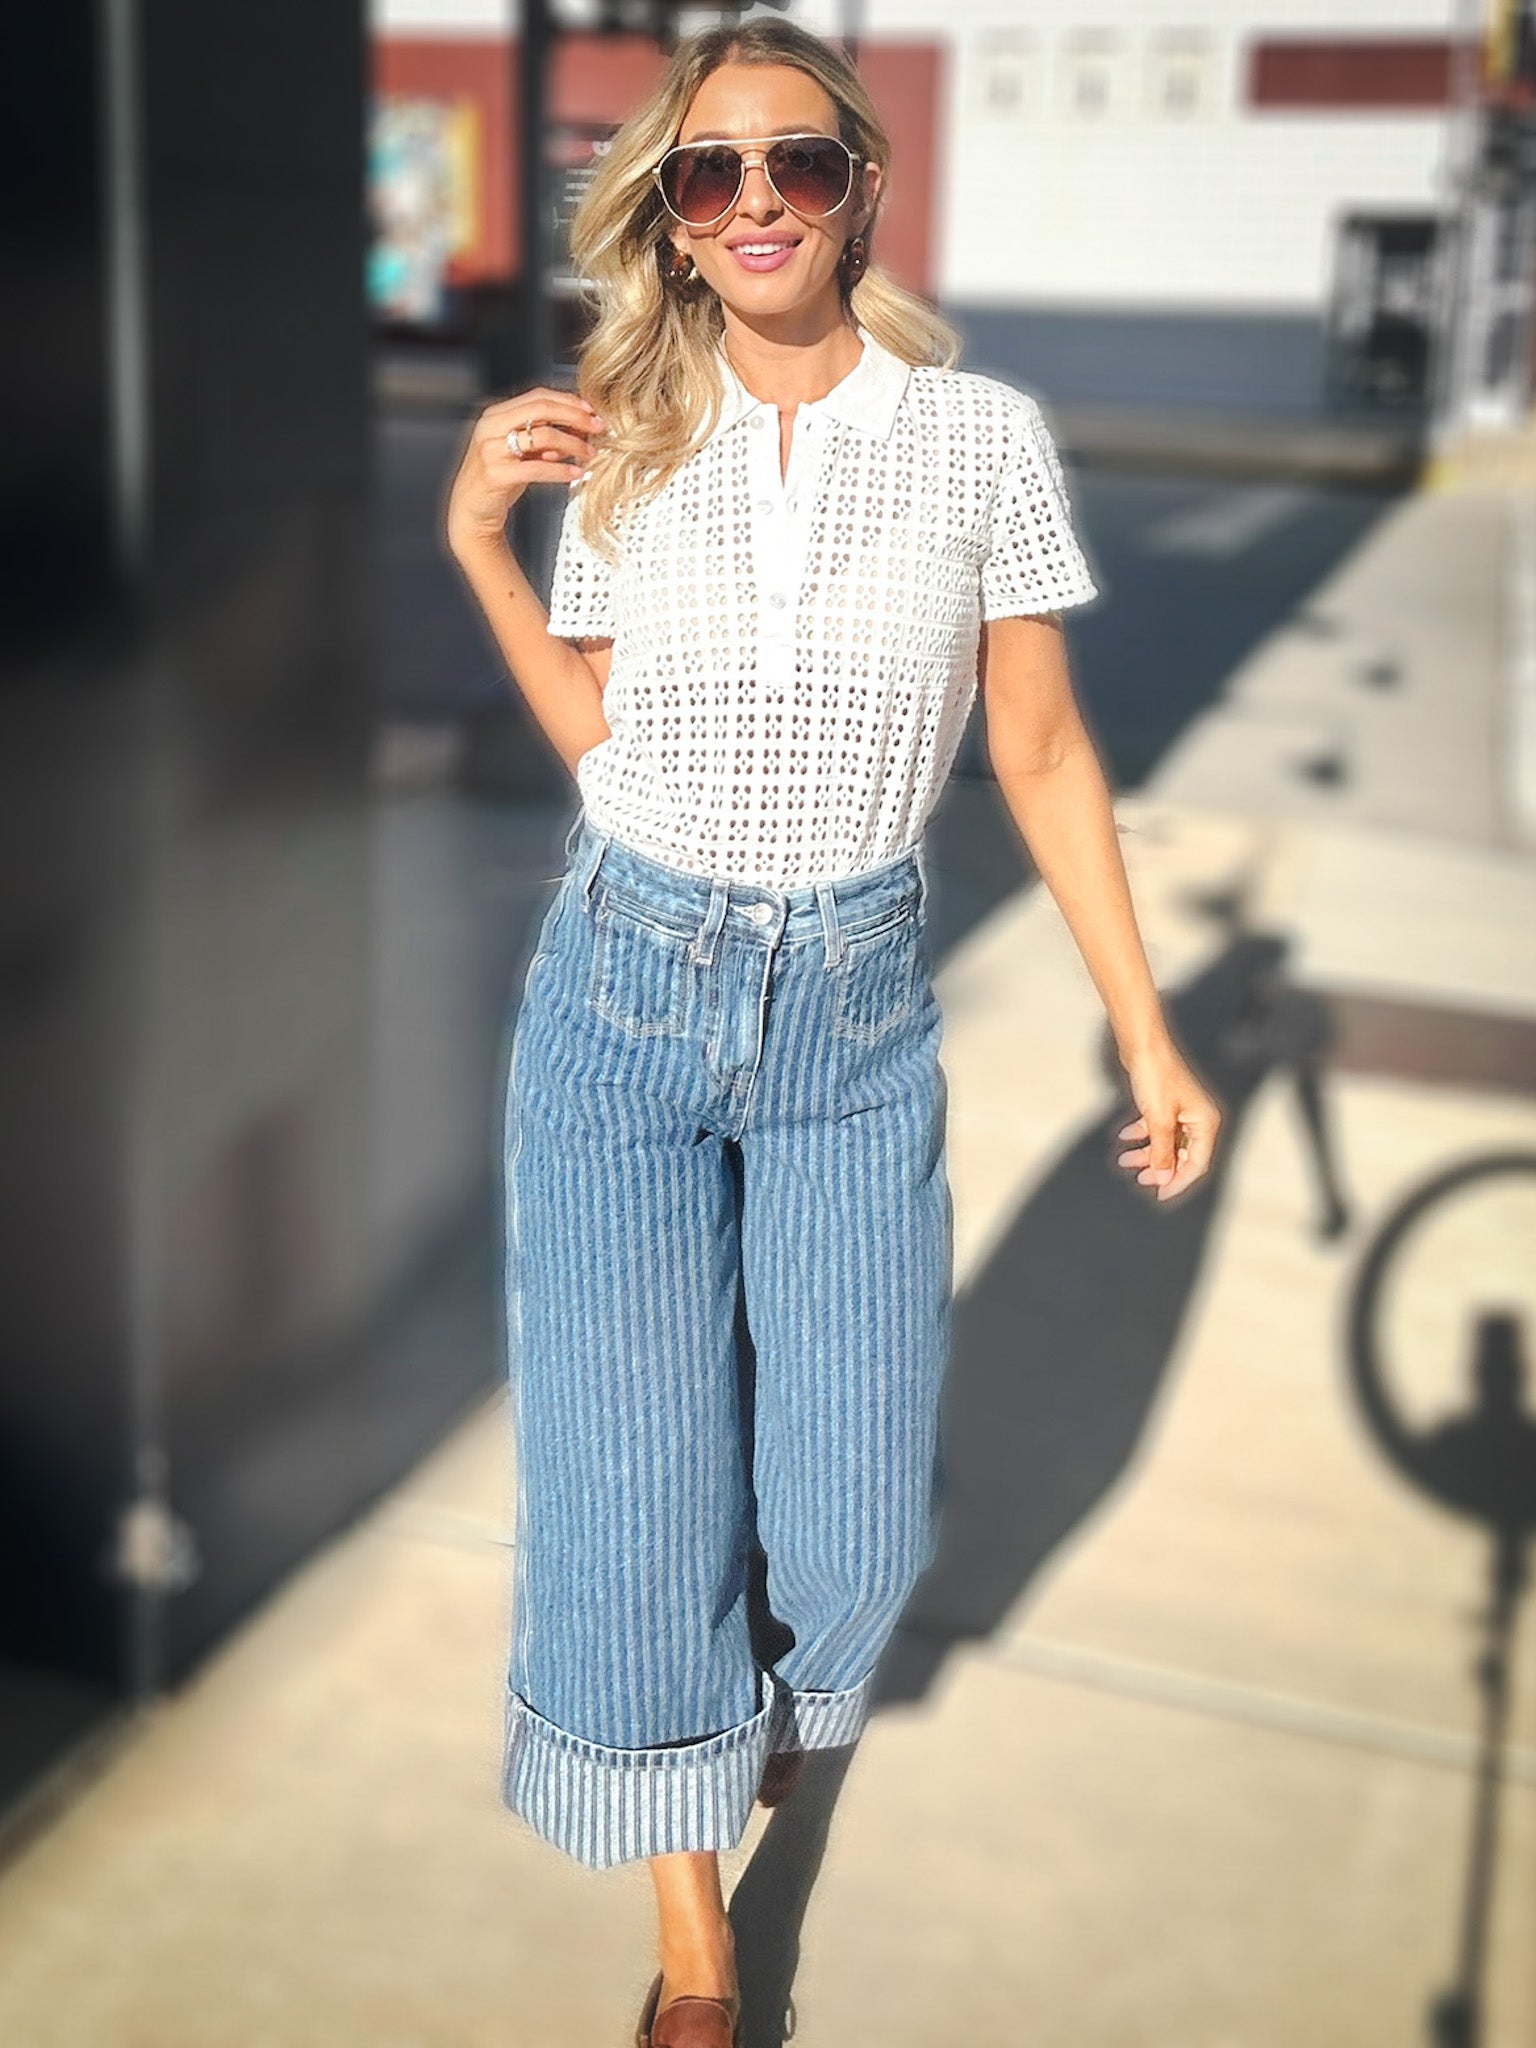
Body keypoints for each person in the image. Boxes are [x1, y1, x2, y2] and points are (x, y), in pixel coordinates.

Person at [445, 18, 1222, 2047]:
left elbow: (1040, 752)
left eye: (795, 161)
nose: (756, 201)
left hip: (854, 1019)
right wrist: (477, 554)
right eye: (710, 173)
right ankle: (695, 1940)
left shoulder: (979, 442)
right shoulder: (630, 433)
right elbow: (601, 734)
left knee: (856, 1522)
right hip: (623, 993)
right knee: (637, 1493)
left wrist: (1147, 1029)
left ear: (862, 183)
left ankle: (754, 1716)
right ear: (675, 218)